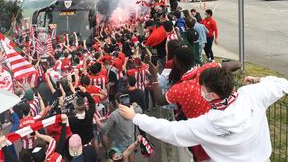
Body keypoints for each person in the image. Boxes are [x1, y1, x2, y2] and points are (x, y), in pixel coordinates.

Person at [119, 70, 288, 162]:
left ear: (212, 95)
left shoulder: (208, 124)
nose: (200, 90)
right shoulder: (252, 94)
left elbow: (170, 130)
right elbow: (281, 84)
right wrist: (259, 80)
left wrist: (136, 117)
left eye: (203, 88)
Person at [101, 93, 142, 162]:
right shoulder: (132, 109)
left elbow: (105, 129)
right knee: (131, 154)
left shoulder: (114, 114)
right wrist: (135, 105)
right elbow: (140, 111)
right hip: (131, 139)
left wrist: (99, 123)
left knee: (123, 158)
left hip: (120, 141)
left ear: (117, 102)